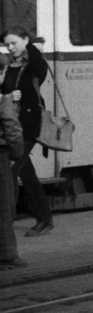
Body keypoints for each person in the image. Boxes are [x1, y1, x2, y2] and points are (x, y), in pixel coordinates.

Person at [2, 30, 54, 236]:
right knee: (27, 175)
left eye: (14, 43)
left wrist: (31, 45)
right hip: (12, 125)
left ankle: (6, 223)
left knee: (10, 173)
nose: (10, 48)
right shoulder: (8, 64)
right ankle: (44, 218)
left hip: (29, 125)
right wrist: (8, 95)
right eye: (7, 44)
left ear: (25, 40)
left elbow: (40, 69)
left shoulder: (34, 64)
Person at [0, 77, 24, 267]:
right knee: (4, 206)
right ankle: (8, 255)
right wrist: (16, 154)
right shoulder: (3, 100)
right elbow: (12, 129)